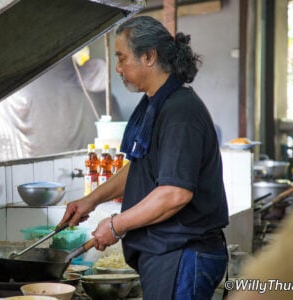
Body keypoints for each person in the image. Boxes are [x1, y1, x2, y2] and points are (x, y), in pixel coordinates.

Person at [59, 16, 229, 300]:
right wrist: (91, 200)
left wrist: (115, 225)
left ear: (149, 56)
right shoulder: (156, 102)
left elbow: (175, 194)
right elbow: (142, 167)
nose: (117, 68)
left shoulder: (179, 113)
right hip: (167, 252)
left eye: (122, 58)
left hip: (183, 255)